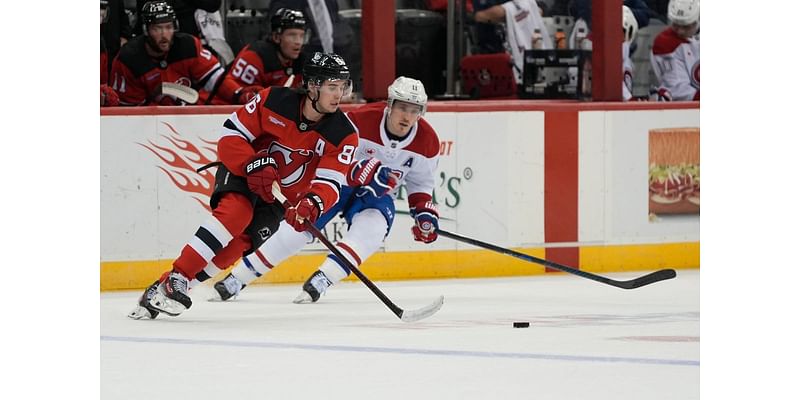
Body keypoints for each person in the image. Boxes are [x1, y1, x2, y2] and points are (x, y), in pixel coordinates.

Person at [128, 51, 359, 319]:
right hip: (245, 171)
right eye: (332, 87)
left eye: (342, 86)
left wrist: (312, 203)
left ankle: (163, 290)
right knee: (237, 213)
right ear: (312, 86)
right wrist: (251, 164)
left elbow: (330, 183)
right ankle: (178, 275)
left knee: (235, 249)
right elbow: (231, 135)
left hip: (278, 199)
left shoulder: (344, 134)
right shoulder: (273, 99)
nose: (339, 94)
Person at [206, 76, 441, 304]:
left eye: (414, 110)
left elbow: (421, 184)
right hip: (336, 185)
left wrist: (423, 213)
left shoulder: (428, 140)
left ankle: (323, 278)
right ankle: (238, 278)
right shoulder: (360, 120)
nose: (407, 116)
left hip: (375, 197)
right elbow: (331, 154)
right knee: (295, 229)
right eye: (402, 108)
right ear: (389, 105)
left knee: (374, 229)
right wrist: (358, 168)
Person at [110, 1, 250, 106]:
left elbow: (215, 78)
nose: (164, 35)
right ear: (146, 30)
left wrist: (238, 94)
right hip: (146, 127)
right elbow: (128, 111)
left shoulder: (189, 45)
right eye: (157, 29)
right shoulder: (128, 59)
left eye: (169, 27)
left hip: (187, 118)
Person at [214, 8, 308, 105]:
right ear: (276, 37)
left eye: (302, 36)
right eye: (292, 35)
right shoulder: (255, 56)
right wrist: (245, 95)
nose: (298, 42)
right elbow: (226, 85)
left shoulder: (301, 62)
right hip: (218, 110)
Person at [473, 0, 553, 84]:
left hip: (517, 55)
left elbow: (539, 9)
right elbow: (482, 16)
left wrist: (509, 10)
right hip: (488, 49)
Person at [650, 0, 699, 101]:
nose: (680, 31)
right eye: (676, 25)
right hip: (683, 110)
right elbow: (677, 89)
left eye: (686, 26)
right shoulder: (665, 43)